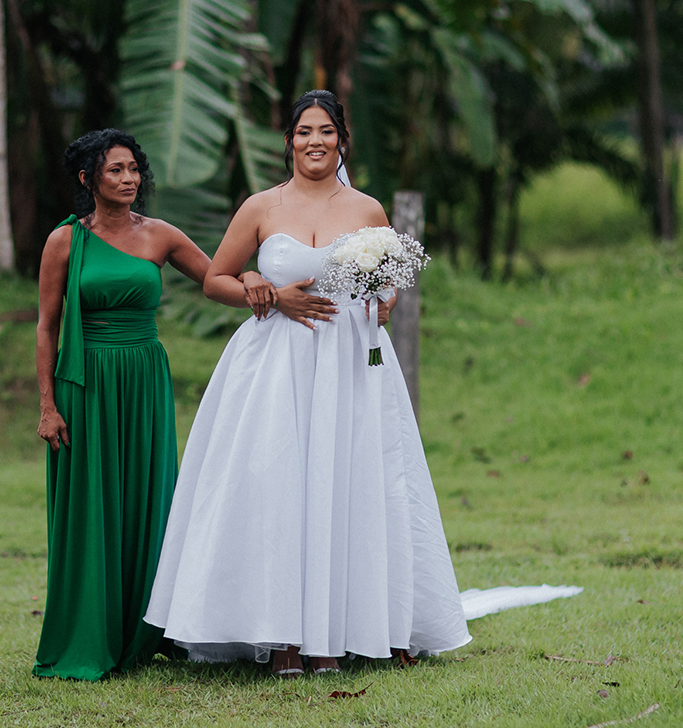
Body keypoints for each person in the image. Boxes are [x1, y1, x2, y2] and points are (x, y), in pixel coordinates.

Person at [144, 91, 473, 677]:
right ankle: (284, 640)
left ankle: (338, 634)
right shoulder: (261, 207)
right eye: (303, 132)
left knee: (348, 483)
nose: (314, 142)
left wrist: (386, 299)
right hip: (276, 365)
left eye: (325, 131)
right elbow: (214, 278)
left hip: (350, 363)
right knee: (279, 485)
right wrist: (260, 289)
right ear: (288, 141)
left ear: (341, 139)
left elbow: (388, 281)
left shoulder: (369, 210)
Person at [32, 129, 214, 681]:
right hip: (85, 385)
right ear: (89, 179)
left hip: (143, 381)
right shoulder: (64, 241)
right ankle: (89, 637)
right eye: (115, 170)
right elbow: (47, 326)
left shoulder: (160, 235)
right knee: (92, 506)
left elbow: (219, 277)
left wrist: (274, 284)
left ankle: (151, 630)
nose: (129, 179)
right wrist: (47, 404)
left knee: (148, 497)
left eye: (134, 169)